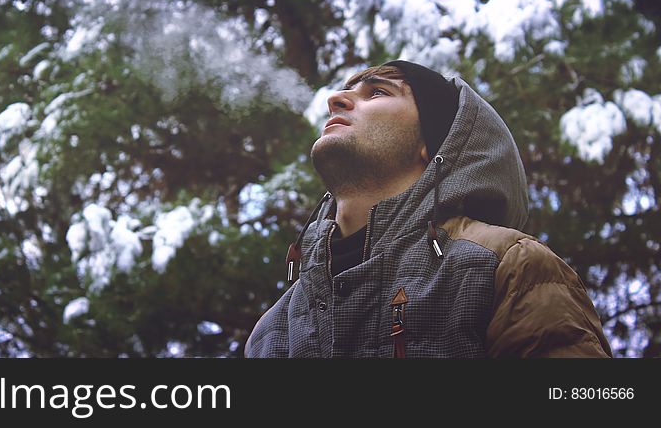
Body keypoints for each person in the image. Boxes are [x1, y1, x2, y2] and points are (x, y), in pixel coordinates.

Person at [244, 60, 612, 358]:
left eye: (377, 92)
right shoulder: (272, 330)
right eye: (346, 91)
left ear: (433, 144)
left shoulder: (507, 266)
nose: (336, 99)